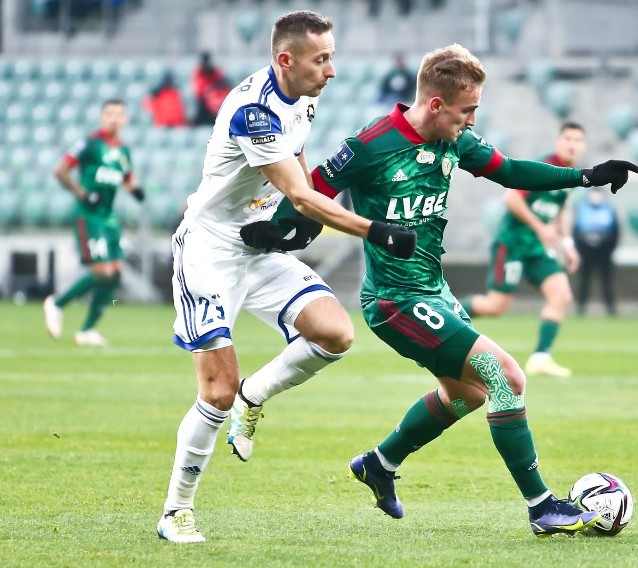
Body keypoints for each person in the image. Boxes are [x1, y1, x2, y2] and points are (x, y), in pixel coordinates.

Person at [242, 43, 638, 537]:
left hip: (433, 291)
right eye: (467, 110)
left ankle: (379, 464)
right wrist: (276, 229)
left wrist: (586, 176)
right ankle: (542, 507)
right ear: (436, 104)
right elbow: (313, 188)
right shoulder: (371, 146)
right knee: (506, 378)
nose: (472, 120)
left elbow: (511, 170)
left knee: (467, 393)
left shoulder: (455, 142)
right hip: (394, 301)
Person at [155, 10, 417, 544]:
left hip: (258, 244)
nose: (332, 70)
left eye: (332, 57)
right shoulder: (254, 111)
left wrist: (290, 228)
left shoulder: (304, 95)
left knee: (335, 333)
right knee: (217, 389)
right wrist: (376, 230)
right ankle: (175, 511)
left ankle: (257, 396)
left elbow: (298, 171)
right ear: (286, 59)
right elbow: (301, 194)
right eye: (322, 59)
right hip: (210, 250)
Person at [460, 121, 588, 379]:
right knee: (496, 306)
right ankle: (449, 315)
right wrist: (541, 228)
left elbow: (560, 211)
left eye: (578, 140)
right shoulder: (546, 166)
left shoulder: (571, 175)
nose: (572, 145)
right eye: (568, 139)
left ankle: (541, 358)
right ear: (558, 142)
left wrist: (567, 244)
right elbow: (512, 198)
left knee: (561, 295)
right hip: (513, 244)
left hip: (537, 249)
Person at [43, 99, 144, 346]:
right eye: (109, 113)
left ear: (125, 119)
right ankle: (56, 303)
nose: (114, 118)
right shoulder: (88, 144)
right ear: (102, 117)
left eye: (119, 114)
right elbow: (60, 171)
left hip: (109, 218)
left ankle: (86, 330)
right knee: (103, 271)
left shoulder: (123, 151)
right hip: (88, 215)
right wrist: (83, 194)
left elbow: (127, 179)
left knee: (115, 273)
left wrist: (136, 191)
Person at [570, 187, 620, 317]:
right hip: (586, 252)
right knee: (584, 281)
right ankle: (581, 307)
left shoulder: (609, 209)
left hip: (604, 251)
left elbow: (616, 232)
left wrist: (610, 249)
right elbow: (576, 231)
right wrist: (580, 248)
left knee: (607, 281)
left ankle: (610, 308)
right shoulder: (583, 209)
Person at [191, 51, 225, 125]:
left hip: (216, 101)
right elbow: (199, 92)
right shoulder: (198, 73)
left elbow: (221, 86)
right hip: (205, 103)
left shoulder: (215, 72)